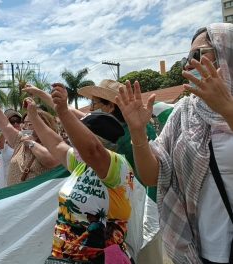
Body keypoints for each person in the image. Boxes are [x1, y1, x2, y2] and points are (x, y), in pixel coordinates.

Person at [115, 23, 233, 263]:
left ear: (225, 54)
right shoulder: (185, 112)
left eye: (197, 54)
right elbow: (152, 176)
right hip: (203, 252)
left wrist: (226, 108)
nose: (189, 64)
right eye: (185, 59)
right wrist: (138, 133)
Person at [25, 84, 133, 264]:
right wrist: (33, 116)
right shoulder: (81, 164)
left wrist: (64, 112)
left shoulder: (117, 166)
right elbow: (57, 145)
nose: (73, 140)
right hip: (63, 258)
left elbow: (93, 150)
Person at [0, 84, 59, 187]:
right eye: (24, 123)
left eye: (30, 123)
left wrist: (31, 143)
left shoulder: (52, 144)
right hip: (14, 199)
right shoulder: (20, 140)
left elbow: (51, 161)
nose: (24, 127)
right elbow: (4, 124)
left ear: (43, 125)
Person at [0, 109, 22, 190]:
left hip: (23, 181)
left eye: (18, 121)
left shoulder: (27, 138)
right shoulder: (5, 143)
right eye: (12, 121)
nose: (16, 123)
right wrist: (5, 126)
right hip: (6, 184)